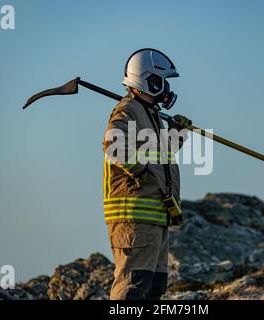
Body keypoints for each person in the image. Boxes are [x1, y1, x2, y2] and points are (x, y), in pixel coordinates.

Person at [102, 48, 191, 300]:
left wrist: (177, 134)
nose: (165, 88)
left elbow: (159, 156)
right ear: (149, 80)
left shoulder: (149, 115)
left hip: (155, 216)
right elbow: (115, 147)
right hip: (135, 217)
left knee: (153, 289)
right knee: (132, 288)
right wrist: (139, 172)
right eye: (162, 82)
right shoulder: (128, 110)